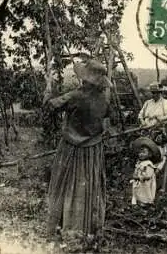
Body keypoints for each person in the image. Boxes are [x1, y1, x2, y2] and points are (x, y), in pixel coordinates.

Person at [45, 59, 113, 241]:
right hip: (93, 150)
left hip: (71, 148)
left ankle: (64, 224)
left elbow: (51, 105)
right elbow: (106, 119)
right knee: (88, 185)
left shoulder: (74, 96)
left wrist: (49, 85)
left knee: (66, 184)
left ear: (84, 79)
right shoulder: (103, 99)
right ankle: (88, 228)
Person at [130, 137, 163, 206]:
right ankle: (138, 201)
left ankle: (146, 203)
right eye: (140, 152)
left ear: (150, 154)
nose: (141, 154)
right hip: (139, 182)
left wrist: (140, 177)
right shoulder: (139, 163)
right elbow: (136, 170)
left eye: (144, 152)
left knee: (145, 192)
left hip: (145, 183)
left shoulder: (148, 164)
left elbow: (148, 175)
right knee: (138, 191)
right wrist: (135, 175)